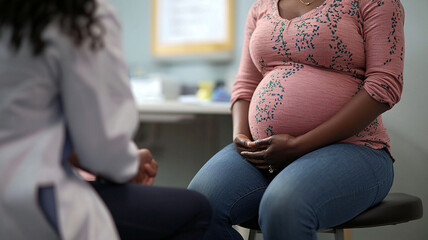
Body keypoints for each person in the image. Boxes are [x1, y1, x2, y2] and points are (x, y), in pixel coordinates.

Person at [188, 0, 405, 239]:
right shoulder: (261, 6)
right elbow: (245, 85)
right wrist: (240, 135)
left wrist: (298, 145)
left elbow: (384, 85)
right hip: (265, 153)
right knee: (196, 209)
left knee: (284, 207)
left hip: (354, 148)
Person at [0, 0, 211, 239]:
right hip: (31, 203)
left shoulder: (13, 17)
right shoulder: (80, 16)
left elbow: (33, 136)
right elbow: (104, 152)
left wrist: (123, 162)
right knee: (197, 208)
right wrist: (131, 163)